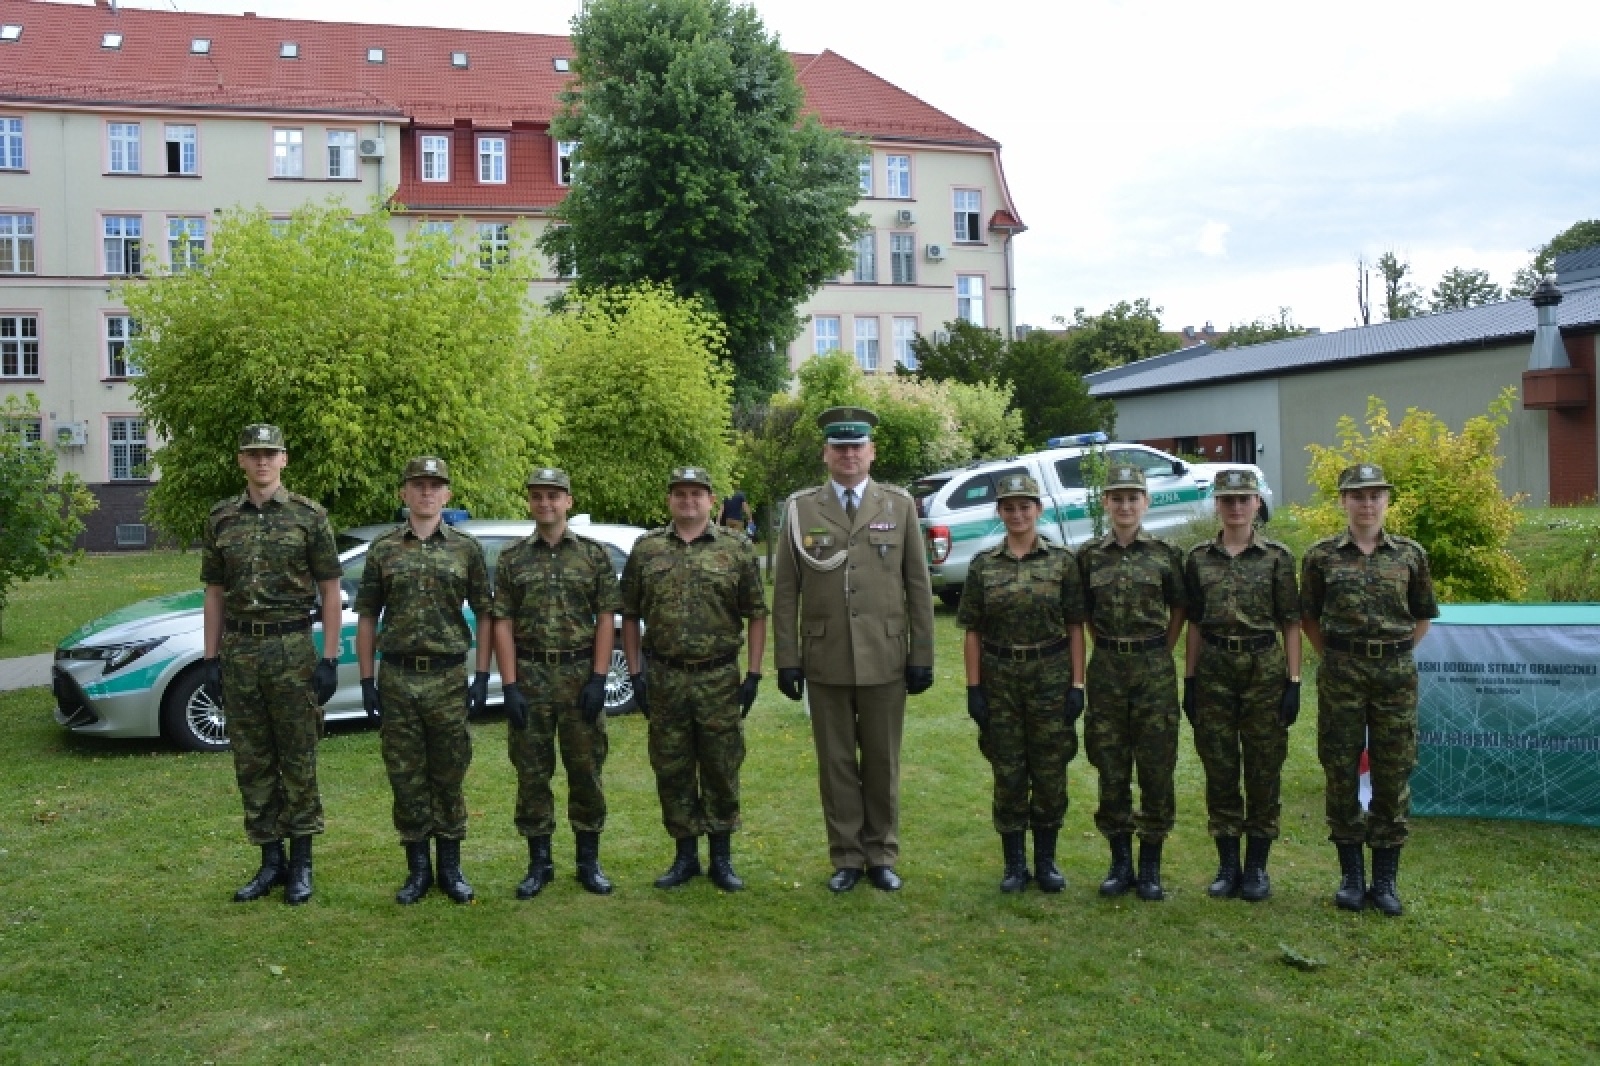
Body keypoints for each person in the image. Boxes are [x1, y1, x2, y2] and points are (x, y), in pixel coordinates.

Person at [772, 406, 936, 892]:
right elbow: (786, 591)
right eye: (839, 447)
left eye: (856, 446)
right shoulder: (801, 508)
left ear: (872, 452)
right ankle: (846, 856)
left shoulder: (899, 505)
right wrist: (787, 659)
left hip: (885, 655)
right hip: (826, 657)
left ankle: (881, 854)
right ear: (826, 454)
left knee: (883, 761)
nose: (848, 454)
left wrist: (921, 655)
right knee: (837, 762)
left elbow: (918, 587)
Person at [200, 423, 343, 905]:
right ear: (242, 460)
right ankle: (269, 861)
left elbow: (329, 588)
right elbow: (214, 592)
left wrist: (329, 656)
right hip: (240, 652)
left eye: (270, 453)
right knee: (252, 759)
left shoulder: (309, 516)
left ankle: (301, 863)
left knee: (298, 756)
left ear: (284, 459)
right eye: (253, 453)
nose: (262, 461)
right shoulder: (221, 518)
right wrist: (210, 659)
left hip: (291, 649)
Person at [620, 467, 767, 892]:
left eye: (696, 494)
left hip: (718, 677)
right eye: (680, 494)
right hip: (665, 676)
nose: (688, 501)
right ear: (669, 500)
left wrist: (754, 674)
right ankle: (684, 855)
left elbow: (756, 614)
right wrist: (635, 673)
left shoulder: (736, 548)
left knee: (722, 765)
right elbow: (629, 615)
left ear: (711, 500)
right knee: (672, 766)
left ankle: (721, 857)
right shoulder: (647, 549)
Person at [353, 457, 493, 905]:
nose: (426, 493)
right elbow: (368, 615)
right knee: (405, 775)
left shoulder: (466, 549)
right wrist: (367, 679)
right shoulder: (384, 549)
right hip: (397, 677)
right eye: (418, 485)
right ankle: (417, 870)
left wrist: (482, 675)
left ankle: (451, 868)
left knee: (449, 772)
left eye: (435, 486)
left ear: (447, 494)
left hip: (449, 676)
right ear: (404, 494)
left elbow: (487, 614)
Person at [1301, 462, 1437, 916]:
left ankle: (1384, 880)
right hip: (1341, 674)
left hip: (1395, 676)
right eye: (1357, 495)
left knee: (1393, 771)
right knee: (1340, 768)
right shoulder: (1321, 557)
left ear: (1386, 500)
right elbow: (1308, 618)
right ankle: (1351, 877)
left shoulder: (1410, 555)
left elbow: (1422, 617)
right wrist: (1338, 655)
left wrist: (1390, 653)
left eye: (1375, 494)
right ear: (1343, 500)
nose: (1366, 503)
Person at [490, 467, 622, 898]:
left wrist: (600, 677)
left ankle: (589, 861)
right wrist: (508, 684)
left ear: (568, 501)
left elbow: (606, 618)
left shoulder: (594, 555)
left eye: (554, 496)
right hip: (530, 674)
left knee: (586, 770)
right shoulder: (512, 558)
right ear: (530, 502)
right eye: (538, 496)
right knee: (531, 773)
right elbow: (502, 623)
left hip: (578, 674)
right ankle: (539, 862)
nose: (545, 503)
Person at [956, 473, 1087, 893]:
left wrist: (1077, 685)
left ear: (1038, 509)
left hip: (1050, 675)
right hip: (1000, 678)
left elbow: (1075, 627)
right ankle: (1014, 864)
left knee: (1050, 769)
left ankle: (1046, 861)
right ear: (1000, 512)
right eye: (1009, 507)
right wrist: (974, 688)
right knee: (1008, 768)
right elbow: (972, 630)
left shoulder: (1063, 561)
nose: (1017, 514)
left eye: (1024, 506)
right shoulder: (983, 565)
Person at [1182, 468, 1301, 902]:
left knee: (1264, 767)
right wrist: (1190, 680)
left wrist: (1294, 680)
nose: (1235, 507)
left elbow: (1291, 623)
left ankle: (1257, 868)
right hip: (1214, 668)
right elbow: (1194, 623)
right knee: (1220, 767)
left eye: (1243, 499)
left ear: (1256, 504)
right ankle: (1228, 864)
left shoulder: (1277, 558)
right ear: (1217, 505)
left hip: (1264, 671)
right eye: (1227, 500)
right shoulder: (1197, 558)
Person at [1077, 463, 1186, 902]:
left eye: (1133, 498)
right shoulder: (1088, 556)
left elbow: (1179, 607)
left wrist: (1162, 646)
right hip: (1106, 669)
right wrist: (1102, 642)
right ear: (1106, 503)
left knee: (1157, 766)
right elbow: (1080, 610)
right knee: (1111, 764)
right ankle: (1120, 862)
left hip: (1153, 669)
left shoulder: (1165, 554)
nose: (1125, 505)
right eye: (1117, 498)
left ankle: (1152, 865)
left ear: (1146, 502)